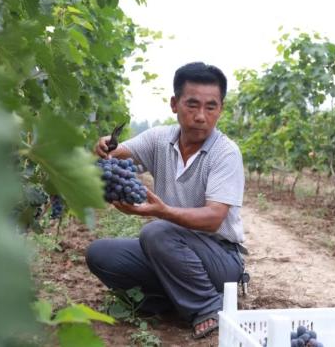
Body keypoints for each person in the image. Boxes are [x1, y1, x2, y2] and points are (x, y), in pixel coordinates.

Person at [86, 62, 246, 339]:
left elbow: (213, 218)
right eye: (192, 105)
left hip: (221, 260)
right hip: (171, 253)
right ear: (174, 104)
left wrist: (162, 212)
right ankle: (171, 300)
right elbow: (116, 155)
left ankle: (208, 306)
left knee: (157, 231)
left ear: (221, 108)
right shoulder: (160, 138)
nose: (200, 116)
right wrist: (103, 147)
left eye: (211, 107)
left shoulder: (225, 153)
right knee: (100, 254)